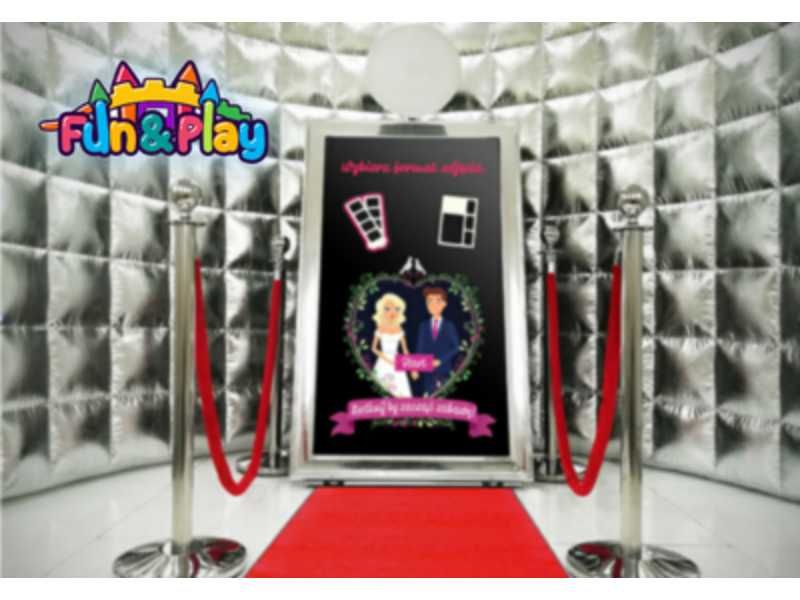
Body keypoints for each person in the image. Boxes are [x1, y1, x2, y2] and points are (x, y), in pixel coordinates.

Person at [415, 286, 460, 396]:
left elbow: (456, 347)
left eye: (437, 301)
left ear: (444, 304)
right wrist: (415, 367)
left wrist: (440, 360)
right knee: (428, 396)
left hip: (444, 370)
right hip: (427, 370)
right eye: (429, 301)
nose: (433, 305)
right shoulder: (423, 326)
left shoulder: (449, 326)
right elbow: (420, 348)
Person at [371, 293, 415, 397]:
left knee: (400, 389)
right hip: (383, 360)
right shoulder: (380, 328)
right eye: (387, 308)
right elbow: (374, 348)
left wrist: (412, 368)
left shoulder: (399, 329)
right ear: (382, 310)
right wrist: (388, 360)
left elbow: (405, 350)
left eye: (396, 309)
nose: (392, 312)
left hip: (397, 361)